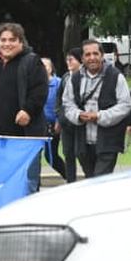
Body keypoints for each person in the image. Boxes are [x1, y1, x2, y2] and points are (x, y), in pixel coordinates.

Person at [0, 22, 49, 192]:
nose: (7, 44)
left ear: (21, 42)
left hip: (23, 140)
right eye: (3, 40)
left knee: (25, 186)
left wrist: (28, 110)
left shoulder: (32, 62)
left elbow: (40, 91)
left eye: (12, 40)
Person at [62, 39, 131, 176]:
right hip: (83, 141)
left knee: (101, 179)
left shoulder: (116, 76)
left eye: (95, 53)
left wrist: (99, 116)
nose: (92, 58)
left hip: (108, 141)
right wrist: (78, 115)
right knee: (90, 179)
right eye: (87, 55)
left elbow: (125, 105)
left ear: (102, 55)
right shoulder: (74, 79)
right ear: (82, 58)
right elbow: (67, 103)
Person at [53, 48, 83, 183]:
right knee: (68, 154)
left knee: (81, 153)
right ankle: (71, 181)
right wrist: (59, 117)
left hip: (80, 122)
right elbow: (58, 99)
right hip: (66, 124)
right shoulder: (65, 77)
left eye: (71, 59)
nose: (68, 62)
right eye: (67, 59)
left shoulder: (84, 77)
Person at [42, 56, 62, 175]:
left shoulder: (58, 83)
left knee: (51, 156)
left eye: (45, 66)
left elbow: (62, 104)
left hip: (53, 126)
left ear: (51, 69)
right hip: (39, 126)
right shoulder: (35, 84)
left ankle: (68, 178)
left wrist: (58, 121)